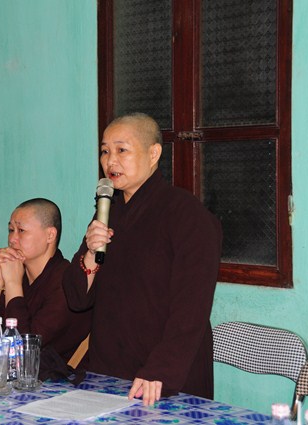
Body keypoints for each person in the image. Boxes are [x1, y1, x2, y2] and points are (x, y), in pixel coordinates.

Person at [62, 113, 222, 406]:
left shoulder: (187, 215)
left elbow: (192, 307)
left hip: (163, 374)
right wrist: (90, 252)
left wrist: (160, 370)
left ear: (153, 153)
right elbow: (77, 298)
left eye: (121, 150)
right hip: (108, 366)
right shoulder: (107, 213)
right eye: (104, 151)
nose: (110, 161)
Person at [0, 198, 91, 363]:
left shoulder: (65, 281)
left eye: (21, 230)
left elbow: (23, 346)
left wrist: (13, 284)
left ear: (50, 235)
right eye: (11, 230)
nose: (12, 239)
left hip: (52, 373)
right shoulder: (21, 274)